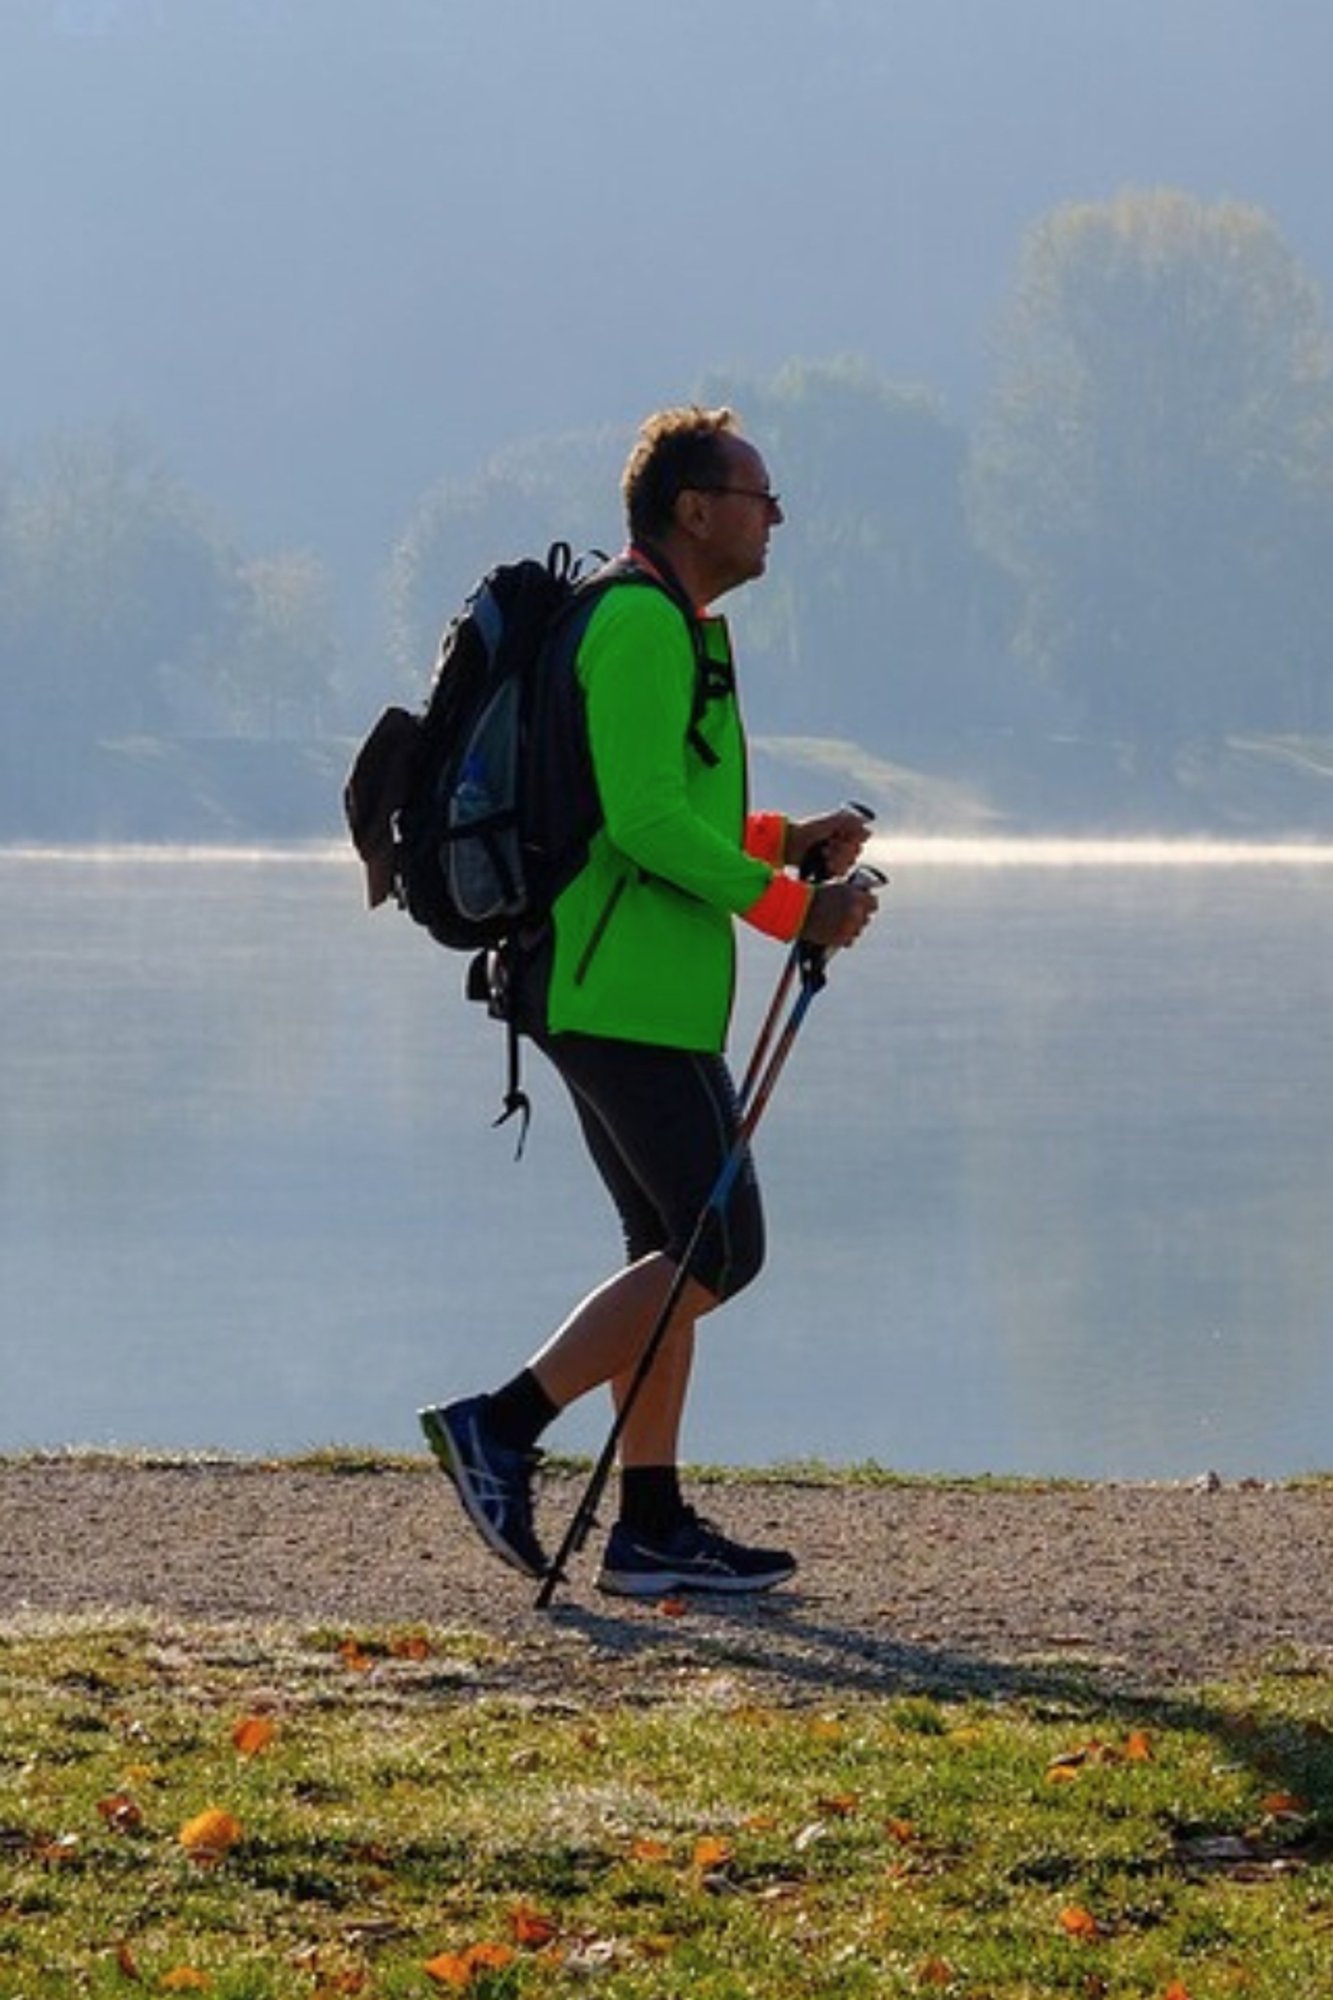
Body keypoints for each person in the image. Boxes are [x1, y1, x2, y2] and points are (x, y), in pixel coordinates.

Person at [419, 405, 878, 1596]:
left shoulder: (674, 623)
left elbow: (670, 807)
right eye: (757, 495)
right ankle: (501, 1425)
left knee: (667, 1252)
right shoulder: (635, 622)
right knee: (721, 1246)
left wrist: (788, 842)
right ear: (692, 507)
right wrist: (793, 910)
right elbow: (642, 821)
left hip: (638, 987)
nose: (773, 517)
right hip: (612, 987)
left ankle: (650, 1525)